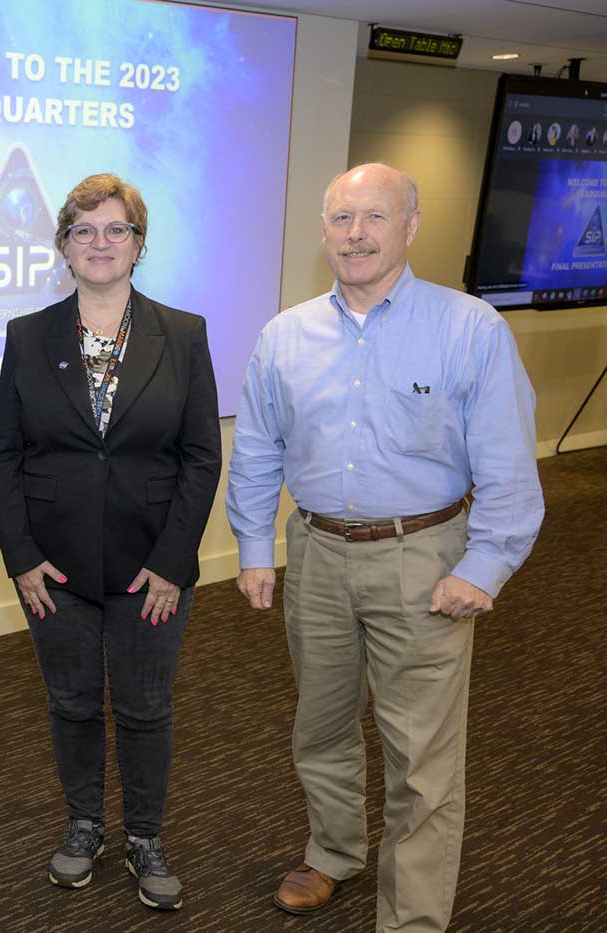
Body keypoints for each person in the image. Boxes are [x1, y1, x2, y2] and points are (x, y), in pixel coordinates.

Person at [227, 163, 544, 931]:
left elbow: (508, 462)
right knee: (321, 724)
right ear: (324, 231)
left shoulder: (469, 328)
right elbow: (260, 448)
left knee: (421, 756)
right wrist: (252, 544)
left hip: (425, 559)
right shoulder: (285, 335)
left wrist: (486, 565)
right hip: (318, 554)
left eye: (374, 217)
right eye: (341, 218)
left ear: (410, 226)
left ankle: (411, 916)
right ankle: (333, 850)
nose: (356, 234)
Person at [0, 174, 221, 910]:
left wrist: (173, 563)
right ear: (62, 246)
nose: (99, 243)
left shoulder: (183, 334)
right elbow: (4, 458)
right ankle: (84, 823)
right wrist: (21, 558)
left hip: (152, 568)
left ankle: (144, 836)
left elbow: (200, 456)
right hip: (55, 570)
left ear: (139, 244)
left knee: (146, 707)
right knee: (72, 702)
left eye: (115, 229)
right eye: (84, 231)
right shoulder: (28, 337)